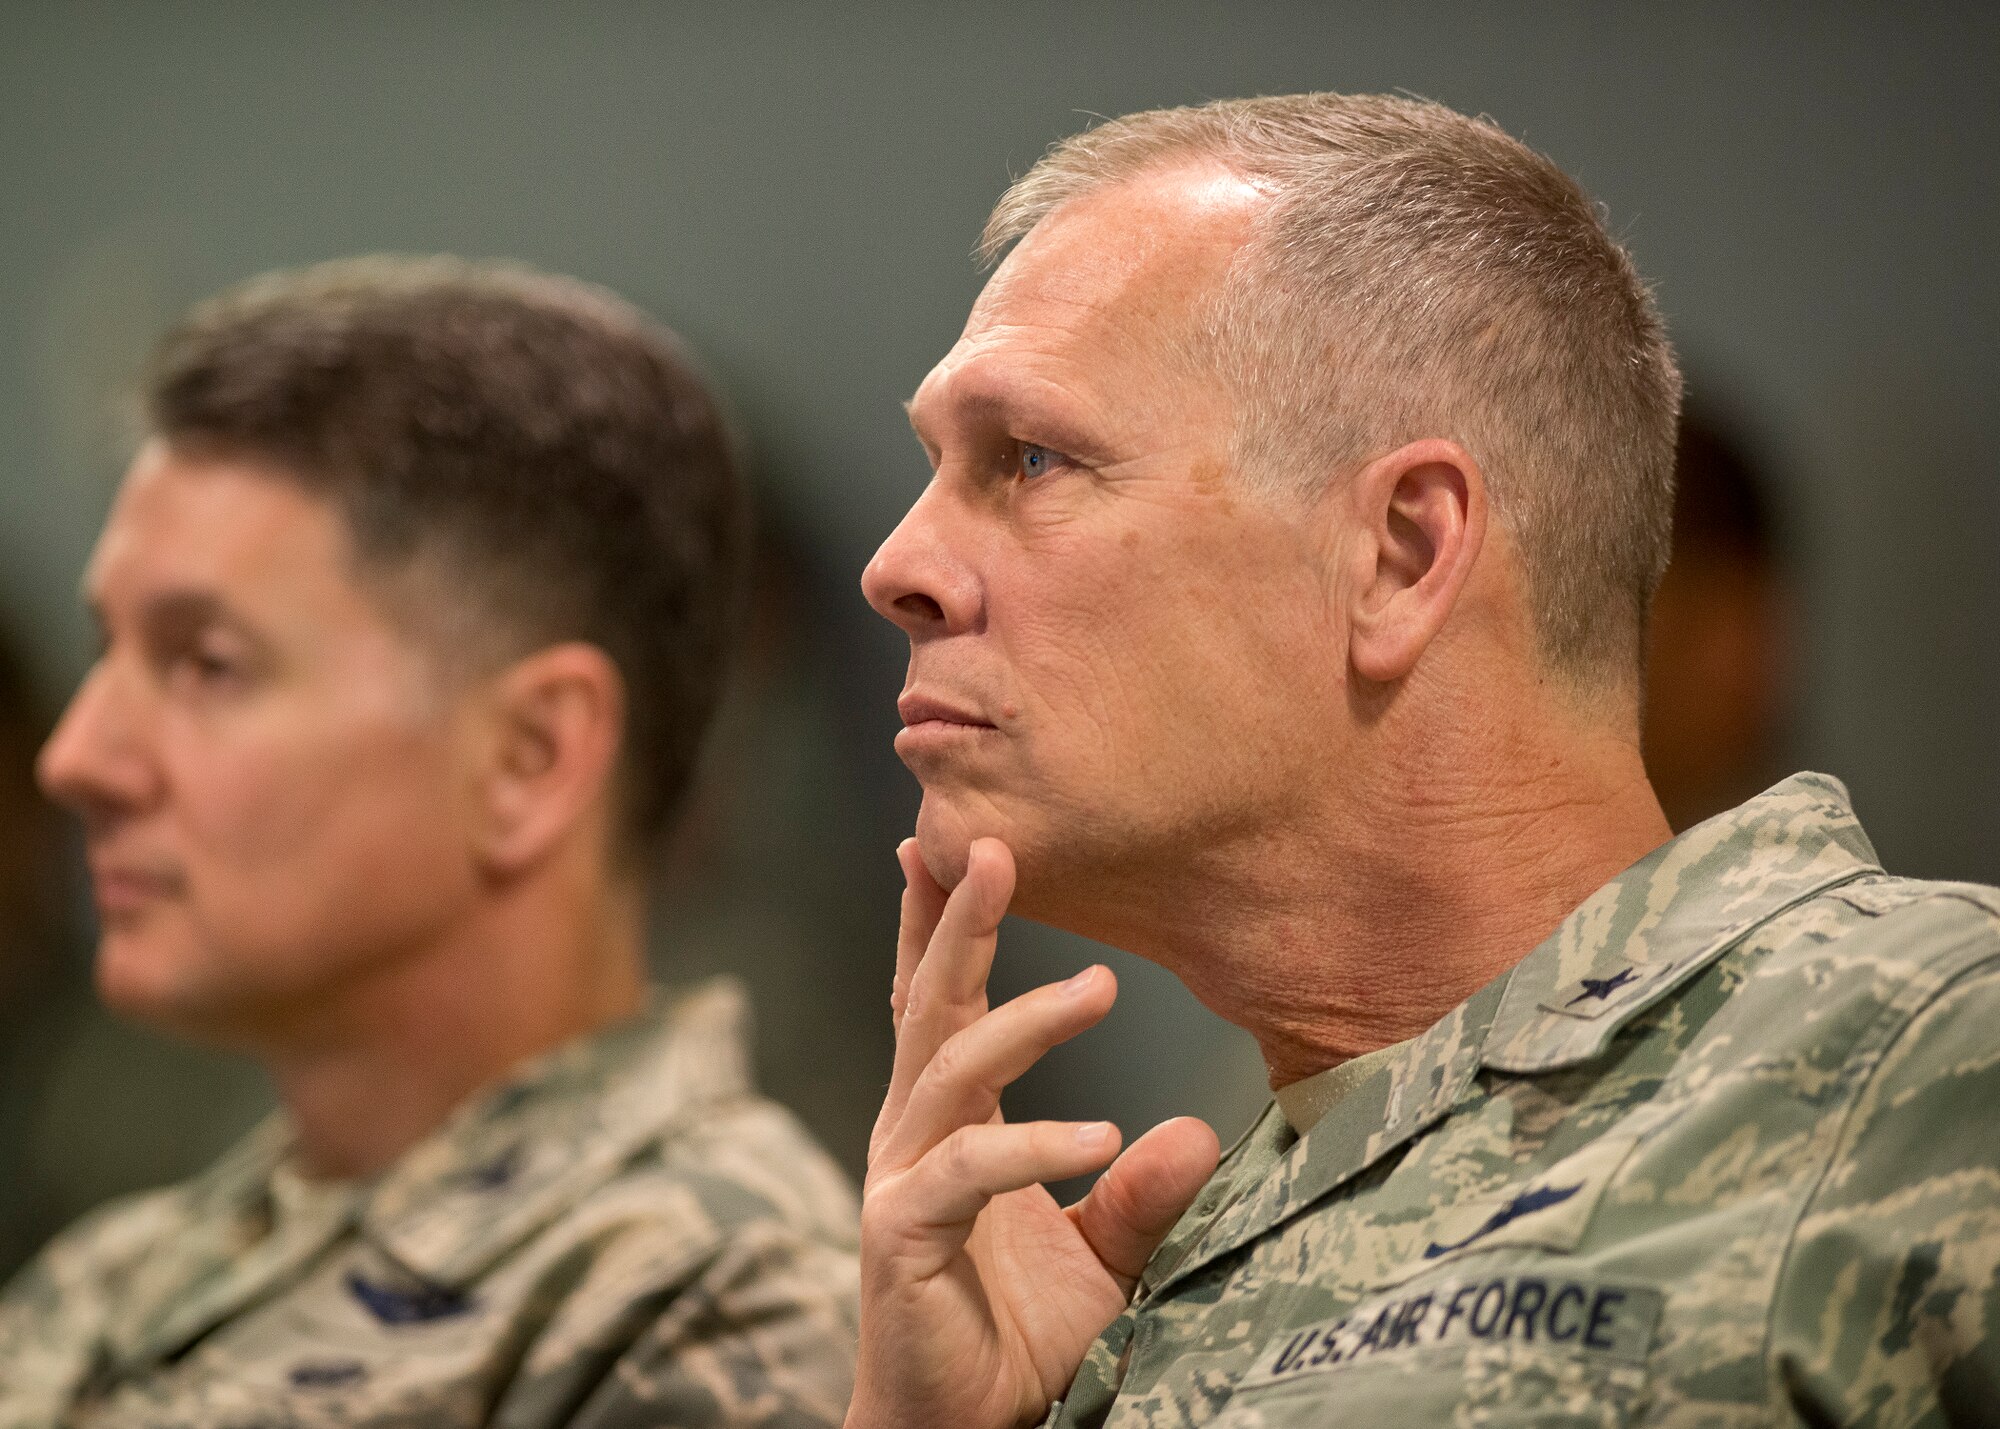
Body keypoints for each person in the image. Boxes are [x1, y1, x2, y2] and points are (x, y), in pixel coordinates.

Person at [850, 93, 2000, 1427]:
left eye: (1031, 460)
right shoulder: (1133, 1265)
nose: (898, 568)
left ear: (1398, 553)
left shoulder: (1930, 1049)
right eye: (939, 466)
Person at [0, 258, 858, 1428]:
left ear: (528, 758)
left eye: (205, 663)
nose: (78, 758)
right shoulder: (106, 1283)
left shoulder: (708, 1299)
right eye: (107, 654)